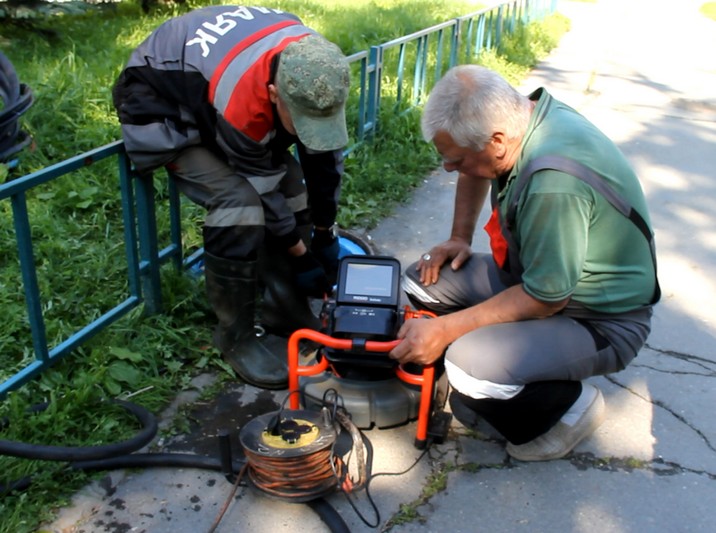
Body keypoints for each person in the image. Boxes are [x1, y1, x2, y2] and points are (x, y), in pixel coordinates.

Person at [389, 65, 660, 461]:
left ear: (496, 141)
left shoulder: (554, 183)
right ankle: (500, 373)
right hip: (540, 278)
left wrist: (447, 331)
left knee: (468, 364)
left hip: (600, 319)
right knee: (422, 280)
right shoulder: (523, 117)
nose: (448, 168)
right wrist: (459, 237)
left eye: (455, 159)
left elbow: (545, 298)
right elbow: (474, 165)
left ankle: (571, 408)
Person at [113, 5, 351, 390]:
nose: (312, 130)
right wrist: (301, 254)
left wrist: (325, 231)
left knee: (295, 193)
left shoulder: (318, 69)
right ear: (274, 94)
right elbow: (259, 185)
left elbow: (323, 159)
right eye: (302, 120)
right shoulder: (242, 94)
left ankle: (284, 306)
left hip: (214, 99)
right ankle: (234, 336)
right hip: (163, 106)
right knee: (238, 205)